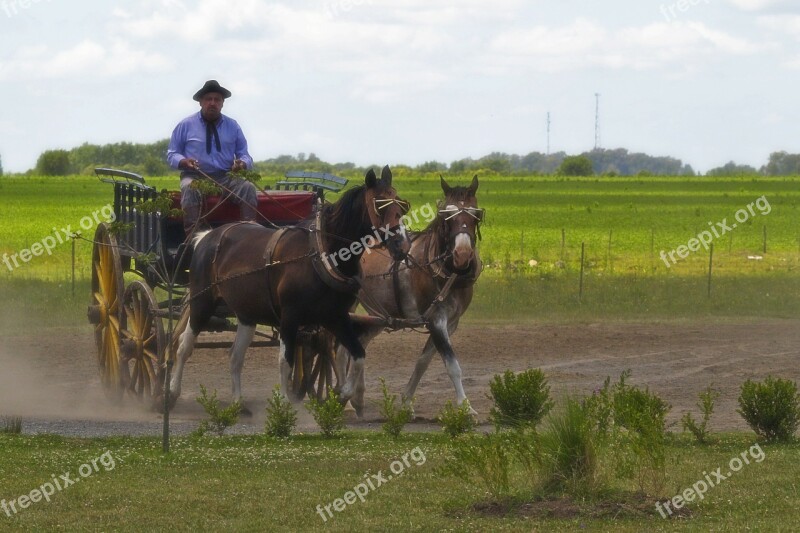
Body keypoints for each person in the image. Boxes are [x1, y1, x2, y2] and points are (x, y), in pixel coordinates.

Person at [167, 80, 258, 234]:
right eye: (208, 99)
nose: (212, 103)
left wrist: (242, 164)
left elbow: (245, 155)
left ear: (222, 103)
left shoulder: (233, 126)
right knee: (190, 188)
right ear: (201, 102)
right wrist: (183, 161)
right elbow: (172, 154)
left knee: (248, 187)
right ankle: (194, 238)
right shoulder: (185, 125)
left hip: (226, 177)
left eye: (217, 99)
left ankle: (248, 233)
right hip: (195, 176)